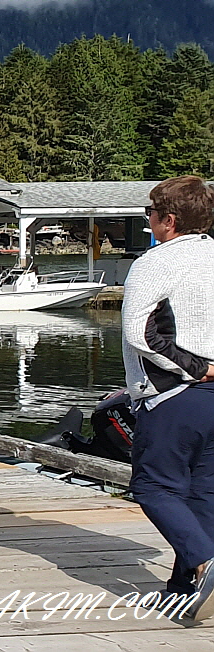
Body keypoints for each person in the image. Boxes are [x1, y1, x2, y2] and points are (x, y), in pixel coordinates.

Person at [121, 176, 214, 620]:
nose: (149, 219)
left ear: (168, 220)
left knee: (153, 485)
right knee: (203, 492)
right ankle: (183, 590)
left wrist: (195, 367)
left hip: (174, 394)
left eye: (150, 213)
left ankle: (204, 560)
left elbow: (140, 334)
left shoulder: (155, 262)